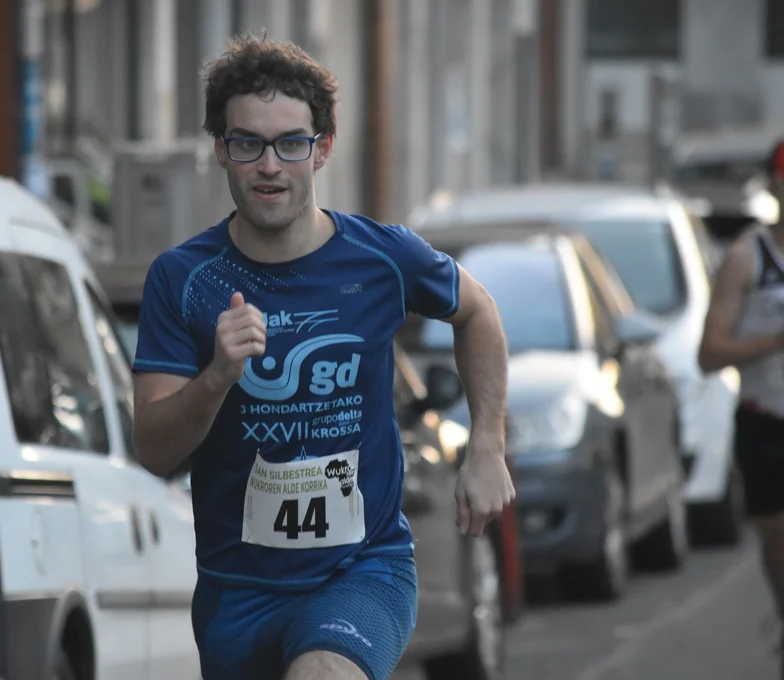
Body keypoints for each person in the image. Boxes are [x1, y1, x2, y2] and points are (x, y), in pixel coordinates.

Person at [131, 33, 515, 680]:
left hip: (362, 569)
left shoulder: (382, 259)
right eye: (247, 144)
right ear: (221, 150)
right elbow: (153, 448)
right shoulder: (183, 279)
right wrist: (218, 376)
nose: (269, 165)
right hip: (237, 590)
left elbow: (478, 312)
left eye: (291, 143)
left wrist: (486, 445)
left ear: (323, 148)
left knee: (322, 673)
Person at [699, 136, 784, 676]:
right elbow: (709, 353)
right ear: (774, 185)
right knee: (778, 542)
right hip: (766, 420)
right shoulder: (746, 259)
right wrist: (773, 341)